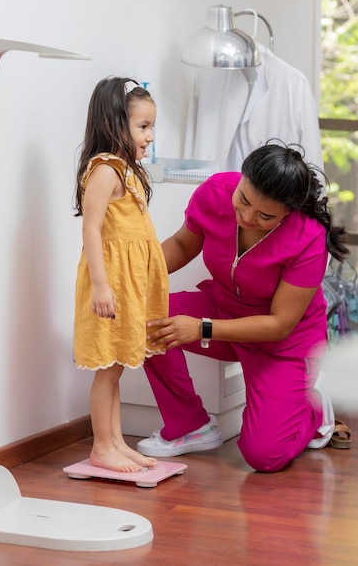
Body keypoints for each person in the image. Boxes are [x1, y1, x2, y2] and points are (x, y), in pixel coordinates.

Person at [137, 142, 349, 472]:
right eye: (244, 200)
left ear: (288, 211)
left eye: (265, 216)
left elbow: (280, 324)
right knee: (144, 315)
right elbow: (181, 244)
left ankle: (313, 409)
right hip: (224, 310)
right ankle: (188, 425)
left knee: (263, 455)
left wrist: (202, 327)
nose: (248, 217)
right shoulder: (216, 192)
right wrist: (131, 278)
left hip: (282, 344)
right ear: (241, 180)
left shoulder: (307, 235)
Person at [73, 77, 169, 472]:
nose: (149, 136)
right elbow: (91, 229)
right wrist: (100, 286)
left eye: (152, 127)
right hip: (109, 282)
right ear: (115, 124)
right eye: (143, 127)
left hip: (126, 284)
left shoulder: (127, 170)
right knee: (106, 370)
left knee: (117, 366)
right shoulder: (105, 171)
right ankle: (102, 446)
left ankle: (115, 442)